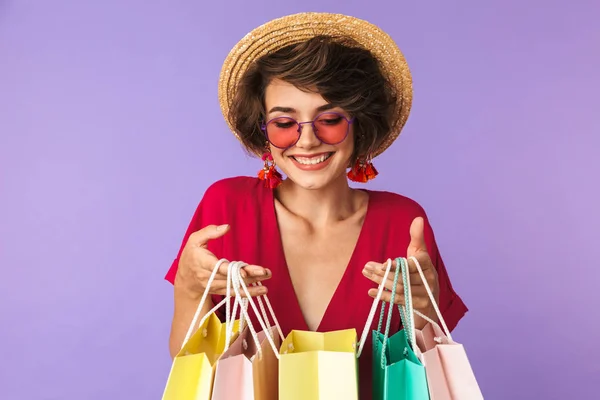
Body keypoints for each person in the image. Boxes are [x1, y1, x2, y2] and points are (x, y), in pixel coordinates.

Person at [164, 12, 468, 399]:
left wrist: (423, 308)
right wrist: (189, 290)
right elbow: (186, 362)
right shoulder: (226, 206)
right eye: (284, 122)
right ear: (264, 132)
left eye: (329, 119)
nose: (306, 141)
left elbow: (427, 373)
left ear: (359, 125)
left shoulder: (403, 221)